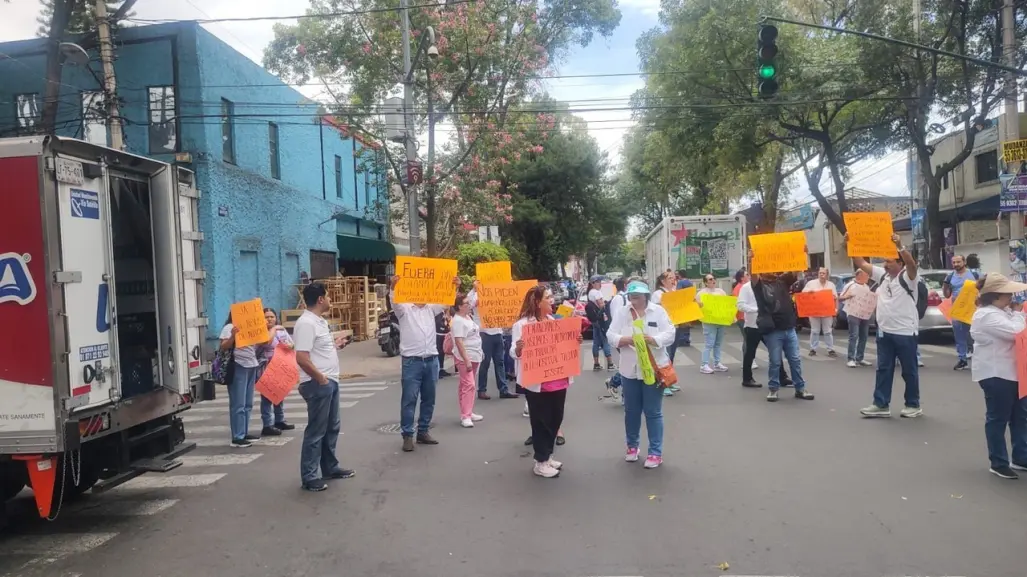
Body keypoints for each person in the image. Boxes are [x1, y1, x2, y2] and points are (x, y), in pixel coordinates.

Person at [510, 285, 581, 478]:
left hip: (558, 378)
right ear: (537, 302)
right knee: (541, 421)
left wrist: (575, 340)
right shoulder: (522, 325)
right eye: (548, 297)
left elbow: (562, 346)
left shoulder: (553, 321)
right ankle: (540, 461)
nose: (552, 300)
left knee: (555, 418)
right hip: (537, 382)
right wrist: (519, 348)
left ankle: (548, 456)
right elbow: (513, 353)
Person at [850, 233, 923, 419]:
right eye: (884, 261)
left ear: (899, 263)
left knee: (909, 371)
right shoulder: (883, 276)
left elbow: (912, 265)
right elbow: (860, 263)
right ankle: (881, 404)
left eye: (890, 261)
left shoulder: (909, 277)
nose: (885, 264)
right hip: (885, 332)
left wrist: (900, 246)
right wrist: (850, 243)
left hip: (905, 332)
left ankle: (913, 404)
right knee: (883, 369)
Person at [607, 280, 676, 469]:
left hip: (653, 369)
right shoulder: (622, 312)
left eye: (637, 297)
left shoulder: (658, 312)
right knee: (631, 411)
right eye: (631, 297)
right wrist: (623, 340)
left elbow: (670, 333)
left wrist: (653, 339)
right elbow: (611, 335)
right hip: (629, 370)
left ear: (646, 296)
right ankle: (632, 446)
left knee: (653, 412)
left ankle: (655, 452)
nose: (633, 300)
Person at [293, 282, 354, 492]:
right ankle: (309, 476)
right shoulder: (306, 323)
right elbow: (301, 357)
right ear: (320, 299)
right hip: (318, 383)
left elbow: (318, 349)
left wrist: (335, 345)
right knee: (316, 431)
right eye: (327, 296)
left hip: (330, 380)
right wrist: (320, 378)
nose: (330, 299)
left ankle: (330, 467)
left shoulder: (319, 322)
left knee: (331, 427)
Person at [390, 274, 462, 452]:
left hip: (431, 360)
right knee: (409, 399)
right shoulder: (405, 309)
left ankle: (423, 431)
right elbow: (394, 302)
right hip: (412, 361)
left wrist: (455, 287)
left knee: (429, 398)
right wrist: (393, 287)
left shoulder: (431, 308)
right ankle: (407, 434)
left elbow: (447, 301)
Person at [969, 273, 1027, 479]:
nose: (1012, 296)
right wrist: (1020, 314)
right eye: (1007, 293)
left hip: (1015, 371)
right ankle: (998, 461)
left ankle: (1021, 457)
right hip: (996, 373)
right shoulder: (986, 315)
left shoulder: (1003, 312)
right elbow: (1017, 333)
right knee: (998, 418)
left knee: (1020, 416)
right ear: (995, 295)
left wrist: (1016, 313)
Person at [751, 271, 815, 402]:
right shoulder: (759, 286)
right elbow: (753, 275)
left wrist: (802, 253)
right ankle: (773, 389)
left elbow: (795, 269)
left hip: (789, 328)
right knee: (775, 361)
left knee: (795, 360)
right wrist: (752, 261)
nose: (772, 271)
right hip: (773, 330)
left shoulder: (782, 281)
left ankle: (800, 389)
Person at [219, 312, 268, 448]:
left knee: (247, 403)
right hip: (238, 366)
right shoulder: (229, 327)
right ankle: (237, 436)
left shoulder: (249, 327)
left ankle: (244, 432)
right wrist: (233, 336)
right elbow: (224, 346)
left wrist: (262, 329)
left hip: (251, 365)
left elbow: (264, 341)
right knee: (238, 403)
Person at [467, 280, 517, 400]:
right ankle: (482, 390)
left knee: (500, 362)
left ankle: (503, 389)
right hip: (484, 333)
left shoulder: (496, 293)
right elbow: (469, 305)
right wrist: (475, 290)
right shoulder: (476, 294)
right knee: (485, 362)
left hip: (498, 332)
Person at [736, 277, 790, 388]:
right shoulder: (746, 288)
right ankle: (747, 379)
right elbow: (740, 305)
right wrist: (756, 309)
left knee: (775, 350)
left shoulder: (768, 287)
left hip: (768, 324)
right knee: (749, 353)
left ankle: (782, 377)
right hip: (753, 325)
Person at [258, 308, 296, 437]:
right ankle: (267, 424)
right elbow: (266, 342)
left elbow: (291, 343)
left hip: (280, 364)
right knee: (267, 396)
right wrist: (273, 330)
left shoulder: (281, 330)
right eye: (266, 317)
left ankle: (279, 420)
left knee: (279, 393)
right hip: (266, 365)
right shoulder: (261, 331)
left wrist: (289, 346)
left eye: (271, 317)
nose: (269, 319)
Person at [451, 294, 484, 428]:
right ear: (459, 306)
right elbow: (459, 342)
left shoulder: (468, 317)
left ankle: (468, 411)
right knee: (468, 384)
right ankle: (465, 415)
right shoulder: (458, 320)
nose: (468, 305)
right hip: (465, 357)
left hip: (475, 354)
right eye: (466, 304)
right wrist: (466, 360)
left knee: (469, 384)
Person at [943, 254, 979, 371]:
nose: (956, 264)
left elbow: (983, 287)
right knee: (959, 336)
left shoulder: (974, 274)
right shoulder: (950, 276)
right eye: (954, 262)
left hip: (973, 310)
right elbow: (947, 294)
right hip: (958, 311)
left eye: (958, 262)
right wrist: (945, 285)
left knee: (975, 335)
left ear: (964, 262)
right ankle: (962, 359)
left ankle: (978, 359)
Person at [838, 270, 873, 368]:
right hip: (853, 314)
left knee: (864, 336)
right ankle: (851, 358)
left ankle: (860, 358)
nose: (868, 277)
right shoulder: (850, 285)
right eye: (866, 275)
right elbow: (840, 298)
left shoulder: (866, 287)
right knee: (854, 335)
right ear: (859, 275)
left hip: (864, 314)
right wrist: (848, 296)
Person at [696, 274, 727, 374]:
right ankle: (704, 364)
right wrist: (699, 305)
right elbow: (695, 306)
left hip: (720, 320)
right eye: (710, 279)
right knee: (709, 343)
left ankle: (717, 363)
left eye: (714, 278)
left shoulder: (720, 291)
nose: (713, 280)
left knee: (718, 343)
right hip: (709, 322)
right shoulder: (701, 293)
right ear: (705, 282)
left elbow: (726, 304)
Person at [803, 267, 837, 357]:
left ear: (827, 275)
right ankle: (813, 349)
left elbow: (835, 298)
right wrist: (809, 292)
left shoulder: (831, 285)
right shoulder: (811, 283)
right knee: (814, 331)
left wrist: (836, 309)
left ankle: (831, 349)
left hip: (827, 311)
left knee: (828, 331)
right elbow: (803, 293)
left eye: (823, 273)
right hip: (814, 311)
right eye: (820, 273)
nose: (821, 275)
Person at [585, 276, 614, 371]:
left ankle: (596, 364)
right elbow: (601, 305)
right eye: (597, 282)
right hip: (601, 320)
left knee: (596, 342)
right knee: (605, 340)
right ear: (592, 283)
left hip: (595, 321)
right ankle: (610, 364)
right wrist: (606, 302)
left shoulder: (590, 293)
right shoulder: (596, 292)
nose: (599, 283)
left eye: (599, 281)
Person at [732, 269, 757, 374]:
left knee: (748, 339)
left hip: (747, 317)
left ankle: (749, 359)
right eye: (747, 275)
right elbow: (738, 303)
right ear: (742, 278)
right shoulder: (740, 288)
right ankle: (748, 360)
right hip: (742, 317)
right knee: (748, 339)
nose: (749, 276)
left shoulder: (746, 287)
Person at [674, 270, 693, 347]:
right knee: (687, 322)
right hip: (689, 303)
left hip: (682, 304)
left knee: (682, 323)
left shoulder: (680, 282)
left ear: (680, 275)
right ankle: (686, 339)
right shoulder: (690, 282)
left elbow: (678, 293)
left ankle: (682, 340)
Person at [435, 308, 452, 379]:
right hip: (438, 334)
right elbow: (439, 323)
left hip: (445, 334)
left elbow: (448, 323)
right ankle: (438, 370)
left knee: (442, 353)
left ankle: (441, 369)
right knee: (439, 352)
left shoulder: (446, 312)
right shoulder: (438, 312)